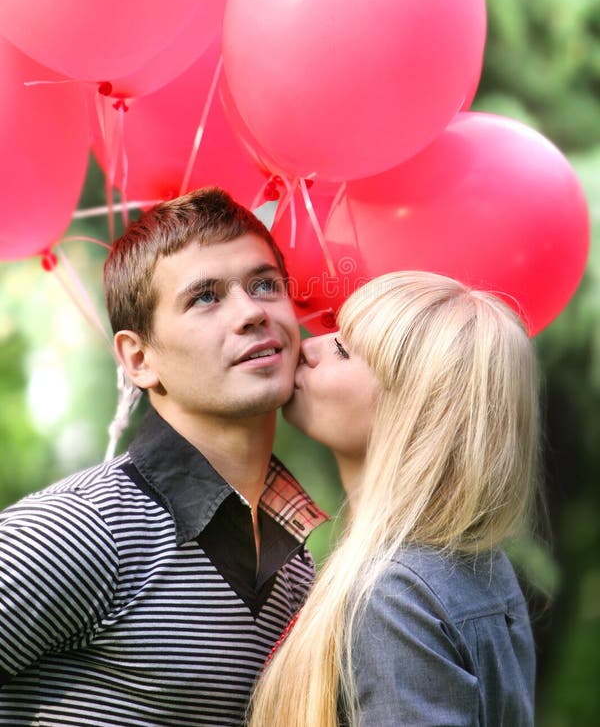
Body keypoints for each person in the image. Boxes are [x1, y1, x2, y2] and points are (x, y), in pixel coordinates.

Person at [0, 187, 326, 727]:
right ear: (139, 358)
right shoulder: (84, 528)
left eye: (265, 285)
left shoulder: (296, 569)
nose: (251, 313)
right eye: (205, 297)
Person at [249, 271, 540, 727]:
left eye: (343, 350)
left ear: (416, 413)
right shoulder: (483, 566)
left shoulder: (393, 594)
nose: (307, 346)